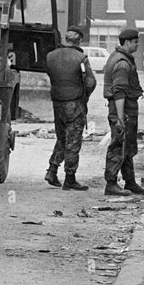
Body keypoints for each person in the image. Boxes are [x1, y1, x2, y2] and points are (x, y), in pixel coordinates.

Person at [44, 26, 96, 191]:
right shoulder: (81, 57)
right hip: (74, 104)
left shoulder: (50, 56)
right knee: (73, 142)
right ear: (79, 40)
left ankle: (52, 170)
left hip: (57, 102)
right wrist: (84, 96)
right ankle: (70, 178)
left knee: (61, 138)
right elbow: (91, 82)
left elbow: (50, 74)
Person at [103, 28, 144, 196]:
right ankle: (111, 183)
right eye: (136, 41)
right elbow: (119, 92)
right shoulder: (123, 63)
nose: (138, 44)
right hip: (122, 111)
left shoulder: (120, 58)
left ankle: (130, 182)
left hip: (125, 110)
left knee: (127, 146)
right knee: (118, 146)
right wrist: (121, 117)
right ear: (127, 42)